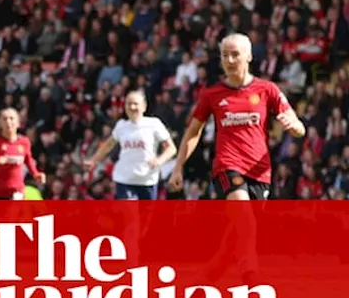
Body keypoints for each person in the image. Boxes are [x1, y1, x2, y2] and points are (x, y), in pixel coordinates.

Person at [169, 33, 305, 200]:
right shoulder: (212, 94)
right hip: (227, 166)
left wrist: (294, 127)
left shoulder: (267, 89)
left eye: (235, 54)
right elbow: (192, 133)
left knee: (247, 224)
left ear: (249, 56)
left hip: (259, 171)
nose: (230, 60)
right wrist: (178, 167)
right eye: (225, 55)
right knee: (241, 207)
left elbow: (300, 129)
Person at [83, 90, 175, 199]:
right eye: (128, 104)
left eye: (135, 104)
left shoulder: (154, 124)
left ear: (144, 106)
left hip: (147, 179)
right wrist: (94, 160)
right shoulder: (121, 126)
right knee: (129, 212)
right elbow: (108, 145)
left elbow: (171, 148)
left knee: (145, 216)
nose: (132, 107)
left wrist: (159, 160)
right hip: (124, 179)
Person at [0, 108, 45, 200]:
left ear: (18, 123)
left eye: (11, 118)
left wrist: (36, 173)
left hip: (16, 193)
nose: (8, 121)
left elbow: (28, 160)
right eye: (4, 119)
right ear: (0, 123)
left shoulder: (24, 142)